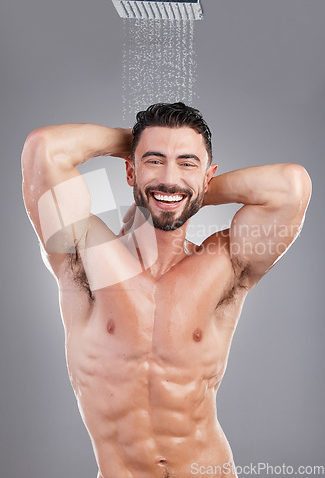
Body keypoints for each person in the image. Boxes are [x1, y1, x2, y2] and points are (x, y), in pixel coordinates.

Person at [21, 102, 311, 478]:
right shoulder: (86, 254)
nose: (169, 177)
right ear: (129, 169)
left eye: (187, 163)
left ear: (208, 177)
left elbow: (290, 187)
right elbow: (45, 148)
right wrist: (136, 144)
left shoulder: (224, 262)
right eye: (154, 161)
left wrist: (188, 191)